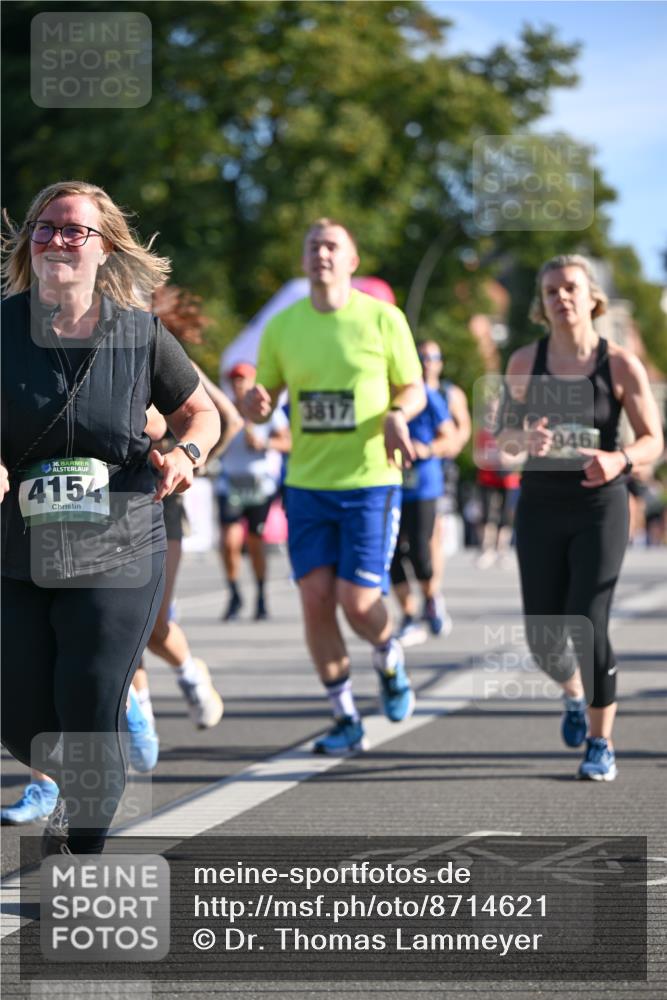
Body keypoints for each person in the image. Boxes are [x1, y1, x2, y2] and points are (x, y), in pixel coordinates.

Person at [0, 180, 220, 854]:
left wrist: (185, 454)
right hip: (20, 544)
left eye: (75, 230)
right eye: (46, 227)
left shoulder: (138, 333)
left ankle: (82, 848)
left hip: (119, 533)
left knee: (91, 688)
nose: (58, 239)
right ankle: (84, 782)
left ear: (105, 248)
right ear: (29, 242)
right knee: (17, 707)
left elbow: (202, 413)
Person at [244, 218, 425, 755]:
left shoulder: (382, 318)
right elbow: (265, 392)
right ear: (304, 261)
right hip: (306, 484)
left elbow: (413, 386)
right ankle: (345, 717)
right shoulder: (283, 327)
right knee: (316, 601)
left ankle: (388, 653)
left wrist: (397, 412)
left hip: (370, 481)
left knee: (357, 599)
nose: (321, 254)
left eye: (332, 246)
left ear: (352, 259)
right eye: (313, 246)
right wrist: (255, 402)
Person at [497, 254, 663, 780]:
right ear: (542, 306)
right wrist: (525, 439)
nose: (561, 297)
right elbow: (500, 440)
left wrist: (620, 458)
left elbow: (655, 440)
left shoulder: (619, 364)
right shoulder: (525, 362)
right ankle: (573, 694)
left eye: (570, 287)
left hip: (600, 505)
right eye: (550, 292)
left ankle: (600, 741)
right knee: (543, 637)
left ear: (592, 296)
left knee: (587, 621)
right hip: (542, 503)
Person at [131, 361, 242, 737]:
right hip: (106, 502)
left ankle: (190, 674)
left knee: (152, 623)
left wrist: (196, 457)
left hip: (161, 498)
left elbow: (228, 418)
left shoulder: (162, 354)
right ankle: (142, 722)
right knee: (117, 620)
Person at [216, 361, 290, 621]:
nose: (239, 385)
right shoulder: (223, 410)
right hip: (230, 484)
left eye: (243, 379)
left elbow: (288, 441)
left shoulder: (267, 410)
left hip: (259, 486)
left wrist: (265, 443)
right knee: (228, 542)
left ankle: (260, 594)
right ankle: (234, 593)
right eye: (235, 380)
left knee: (256, 543)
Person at [390, 356, 453, 643]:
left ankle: (431, 599)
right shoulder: (378, 392)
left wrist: (426, 449)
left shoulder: (427, 396)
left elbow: (450, 436)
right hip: (388, 484)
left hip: (423, 486)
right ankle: (408, 615)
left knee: (419, 550)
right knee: (390, 553)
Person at [418, 340, 471, 632]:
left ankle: (433, 592)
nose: (428, 361)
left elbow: (463, 428)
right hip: (410, 468)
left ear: (440, 362)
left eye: (433, 357)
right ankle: (422, 595)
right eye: (422, 356)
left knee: (434, 532)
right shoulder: (406, 390)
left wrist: (449, 445)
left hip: (440, 467)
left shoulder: (449, 393)